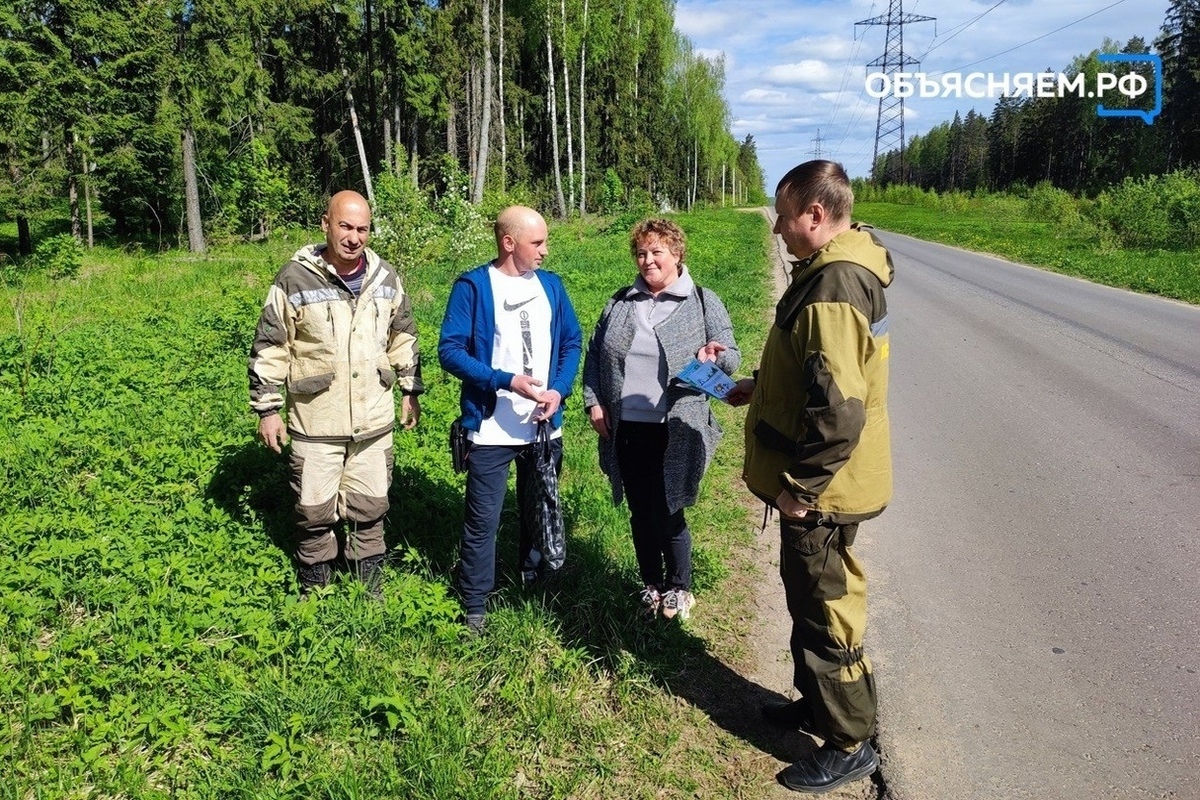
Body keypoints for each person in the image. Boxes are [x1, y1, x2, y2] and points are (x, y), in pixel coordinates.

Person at [726, 161, 893, 793]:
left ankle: (849, 741)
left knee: (827, 610)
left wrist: (799, 489)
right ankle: (816, 705)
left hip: (824, 490)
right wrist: (761, 387)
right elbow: (818, 375)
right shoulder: (838, 270)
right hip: (827, 484)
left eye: (783, 214)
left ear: (815, 215)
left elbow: (840, 410)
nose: (776, 228)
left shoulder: (833, 287)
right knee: (803, 595)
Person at [249, 190, 422, 598]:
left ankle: (368, 585)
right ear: (325, 223)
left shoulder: (387, 277)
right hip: (316, 419)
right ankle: (317, 585)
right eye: (345, 226)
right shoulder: (294, 278)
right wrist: (268, 408)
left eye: (362, 228)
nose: (354, 237)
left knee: (371, 505)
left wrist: (410, 389)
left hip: (374, 419)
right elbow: (272, 345)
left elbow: (404, 337)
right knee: (313, 511)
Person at [582, 218, 739, 622]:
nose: (647, 260)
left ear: (677, 254)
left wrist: (716, 356)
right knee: (639, 510)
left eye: (656, 252)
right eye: (641, 252)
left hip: (676, 428)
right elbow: (595, 355)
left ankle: (680, 586)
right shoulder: (620, 301)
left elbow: (730, 357)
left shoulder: (703, 300)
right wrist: (594, 402)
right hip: (626, 426)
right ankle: (650, 583)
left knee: (668, 508)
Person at [438, 205, 582, 635]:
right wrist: (506, 381)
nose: (545, 250)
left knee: (538, 509)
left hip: (543, 427)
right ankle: (475, 604)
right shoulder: (474, 287)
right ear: (508, 243)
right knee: (483, 520)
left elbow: (571, 342)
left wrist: (558, 389)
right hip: (491, 429)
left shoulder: (551, 286)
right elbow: (450, 351)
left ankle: (533, 579)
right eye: (537, 243)